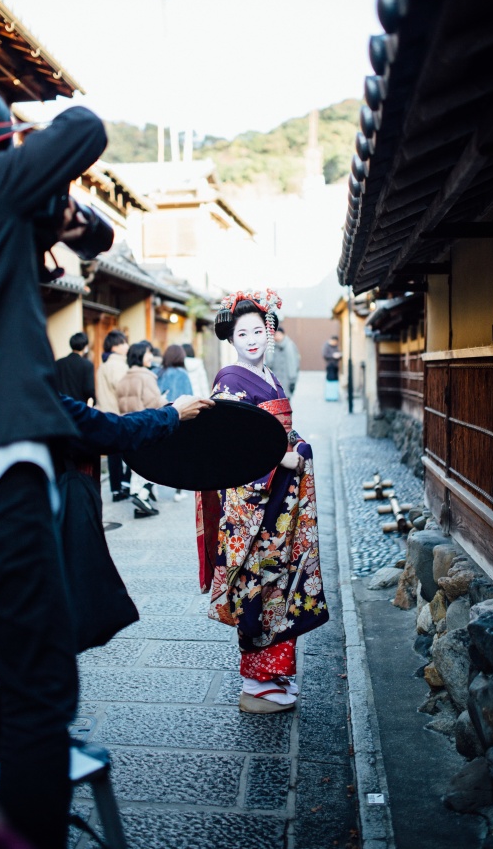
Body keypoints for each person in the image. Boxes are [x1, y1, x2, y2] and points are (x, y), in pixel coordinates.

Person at [0, 76, 107, 849]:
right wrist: (28, 142)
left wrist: (55, 211)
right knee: (38, 690)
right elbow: (85, 127)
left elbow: (91, 234)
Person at [196, 289, 329, 713]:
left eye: (257, 330)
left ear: (268, 333)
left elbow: (281, 431)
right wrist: (282, 458)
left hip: (279, 502)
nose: (251, 339)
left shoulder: (269, 375)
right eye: (242, 333)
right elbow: (231, 448)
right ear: (230, 338)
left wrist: (298, 446)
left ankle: (276, 675)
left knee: (279, 584)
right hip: (253, 505)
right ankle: (256, 681)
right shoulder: (230, 381)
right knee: (257, 582)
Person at [116, 342, 163, 517]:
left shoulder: (123, 379)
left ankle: (140, 504)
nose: (151, 357)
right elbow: (154, 404)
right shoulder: (146, 377)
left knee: (137, 468)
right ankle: (142, 495)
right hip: (146, 426)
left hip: (129, 427)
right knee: (155, 465)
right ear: (139, 356)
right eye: (148, 353)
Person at [95, 330, 131, 500]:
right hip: (119, 414)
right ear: (116, 345)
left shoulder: (104, 365)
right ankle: (124, 486)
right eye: (124, 343)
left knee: (114, 455)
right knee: (130, 451)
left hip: (106, 413)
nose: (127, 346)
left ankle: (116, 488)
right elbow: (122, 389)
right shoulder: (118, 365)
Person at [158, 345, 194, 501]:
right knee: (181, 453)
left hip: (164, 415)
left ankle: (152, 486)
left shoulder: (160, 373)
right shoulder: (183, 374)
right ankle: (179, 490)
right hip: (182, 415)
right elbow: (189, 396)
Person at [55, 331, 95, 404]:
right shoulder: (87, 365)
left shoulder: (59, 363)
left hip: (62, 405)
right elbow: (89, 389)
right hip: (79, 405)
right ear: (85, 346)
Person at [268, 325, 301, 398]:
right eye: (274, 335)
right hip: (276, 379)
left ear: (283, 334)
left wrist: (292, 381)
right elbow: (269, 362)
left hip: (287, 380)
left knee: (285, 401)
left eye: (278, 334)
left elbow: (293, 364)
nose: (276, 337)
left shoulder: (289, 346)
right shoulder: (272, 346)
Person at [323, 334, 342, 402]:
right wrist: (333, 356)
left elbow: (339, 354)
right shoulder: (327, 346)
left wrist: (339, 356)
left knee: (335, 381)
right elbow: (325, 355)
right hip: (330, 366)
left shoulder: (336, 346)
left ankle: (334, 395)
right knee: (330, 380)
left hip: (335, 366)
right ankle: (329, 396)